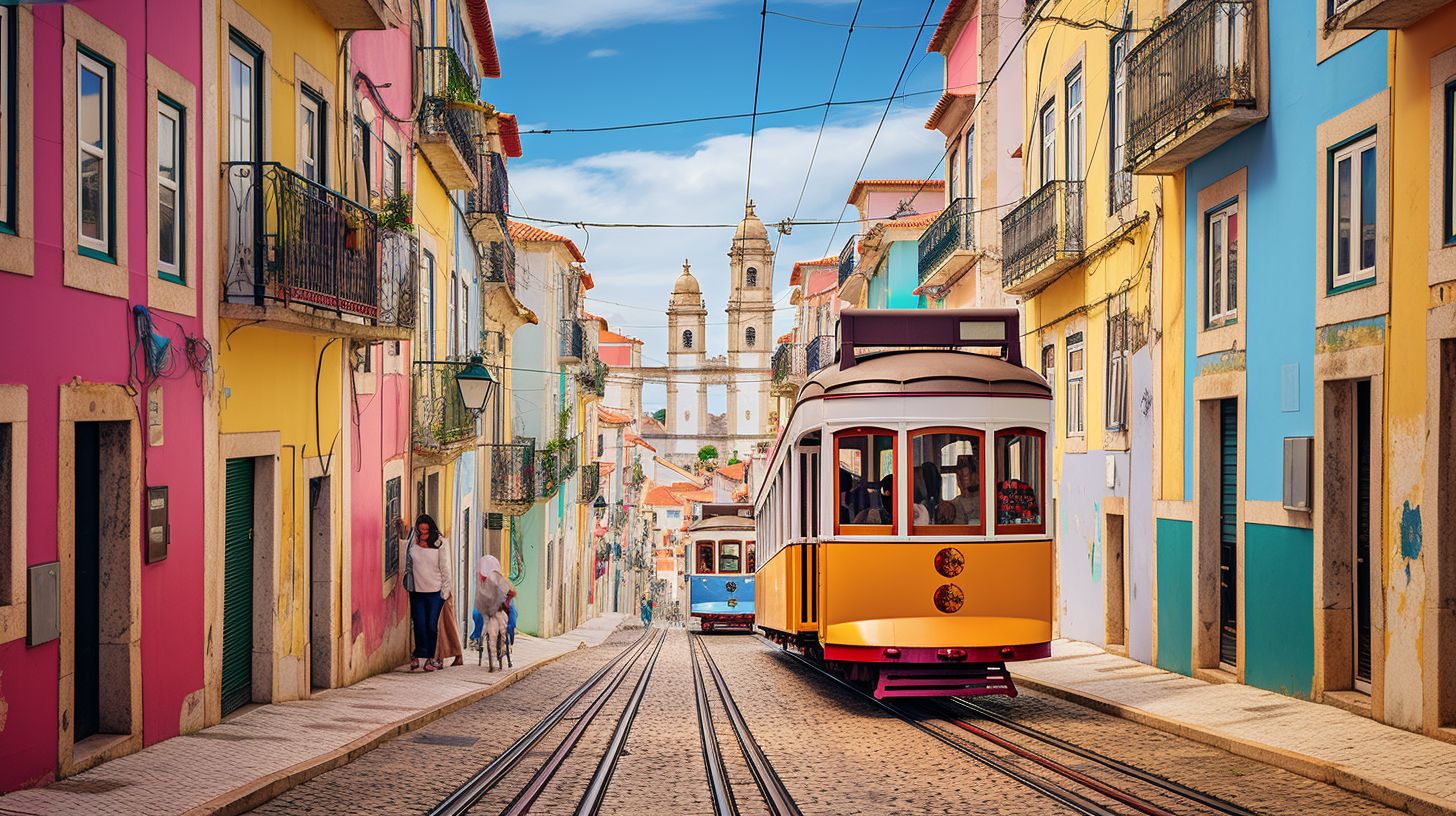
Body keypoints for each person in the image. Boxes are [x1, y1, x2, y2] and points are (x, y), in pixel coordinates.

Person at [399, 514, 452, 672]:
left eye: (426, 530)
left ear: (432, 529)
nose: (423, 534)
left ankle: (430, 657)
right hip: (417, 591)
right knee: (419, 624)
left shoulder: (440, 543)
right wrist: (403, 536)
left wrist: (445, 591)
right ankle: (418, 655)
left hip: (435, 592)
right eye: (420, 530)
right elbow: (404, 561)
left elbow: (445, 568)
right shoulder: (412, 543)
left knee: (431, 625)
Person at [937, 455, 981, 525]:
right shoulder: (952, 505)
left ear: (976, 476)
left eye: (965, 476)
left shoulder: (985, 503)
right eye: (958, 475)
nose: (960, 479)